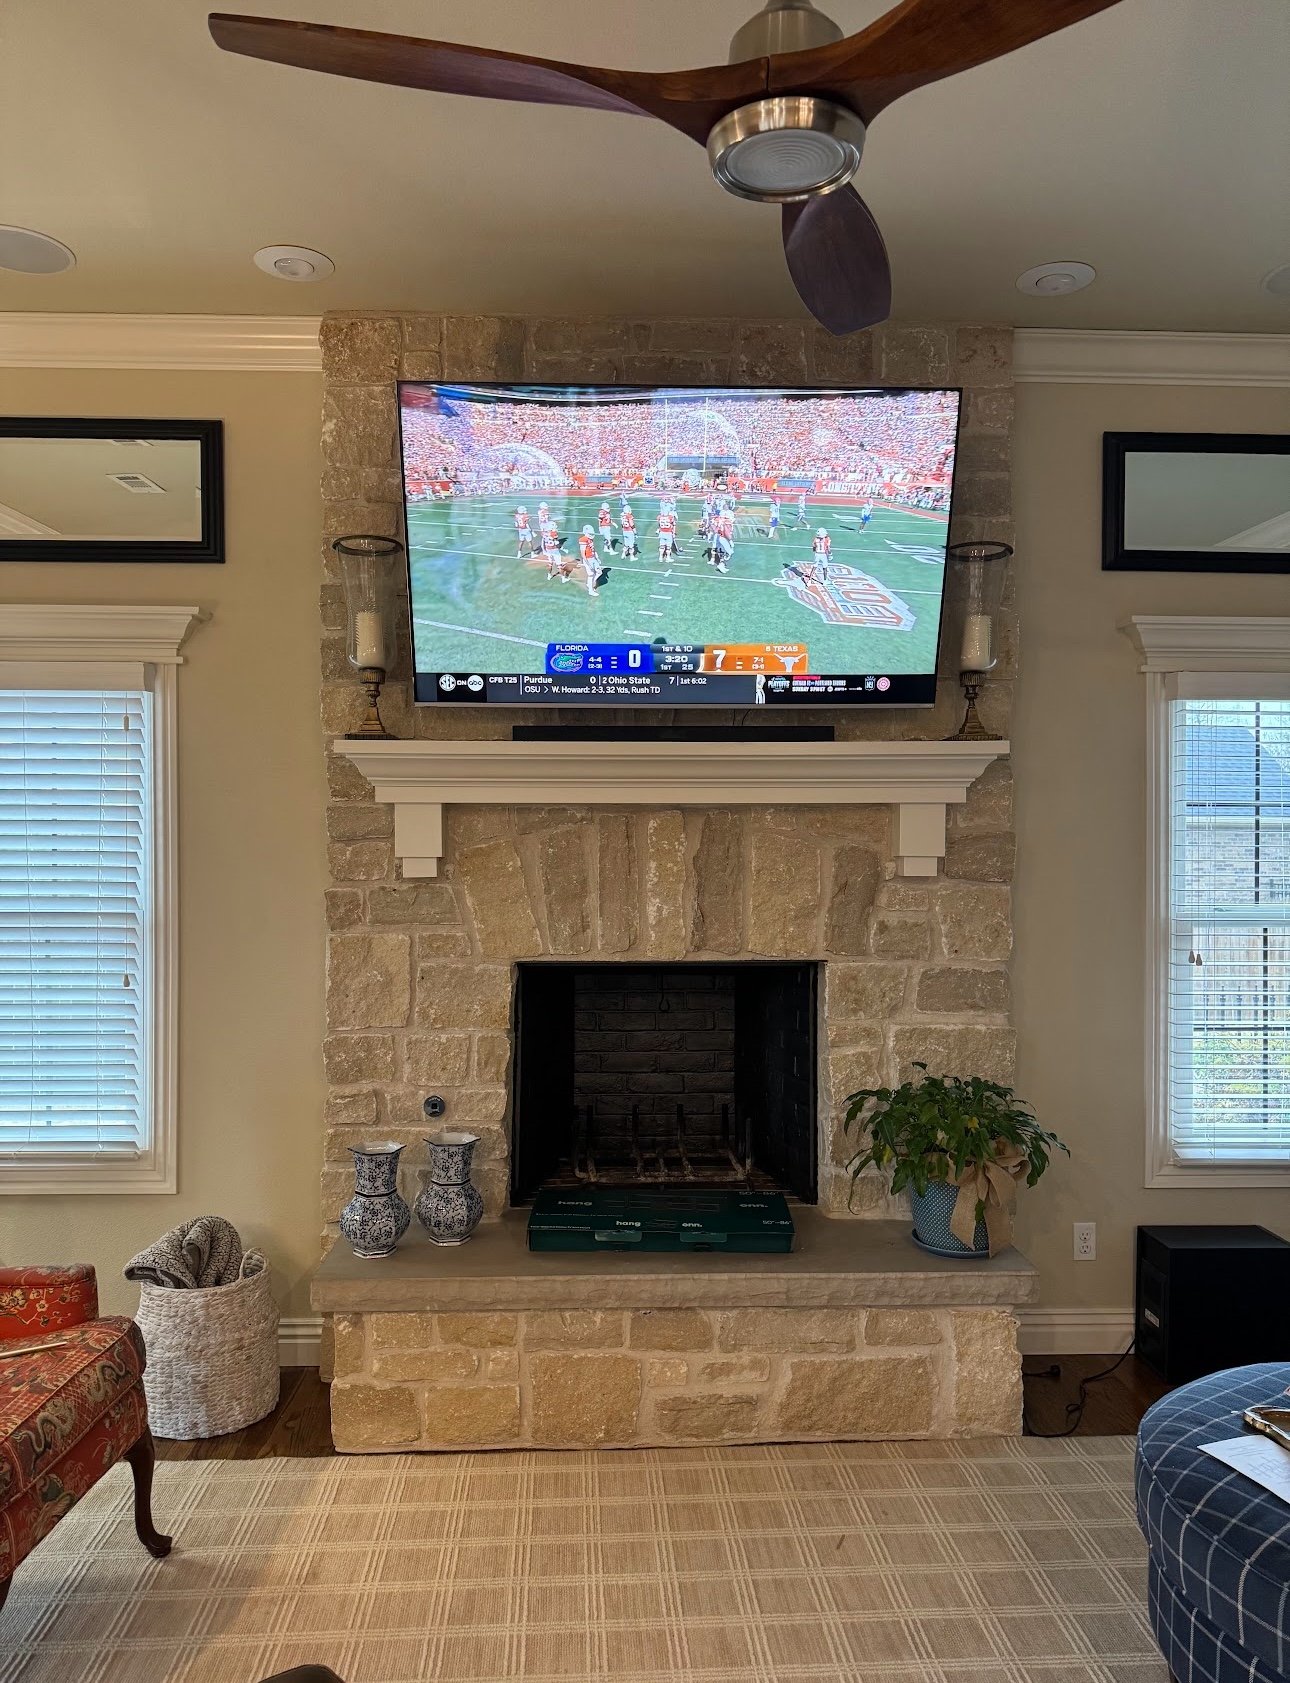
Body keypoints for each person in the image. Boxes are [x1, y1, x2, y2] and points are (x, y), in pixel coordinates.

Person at [577, 525, 601, 596]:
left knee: (599, 572)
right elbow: (583, 554)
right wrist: (588, 563)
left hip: (593, 558)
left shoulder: (590, 539)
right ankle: (590, 590)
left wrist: (597, 558)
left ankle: (589, 583)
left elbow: (593, 549)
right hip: (588, 559)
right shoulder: (583, 540)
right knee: (591, 575)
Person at [712, 507, 733, 574]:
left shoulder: (718, 520)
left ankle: (722, 565)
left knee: (721, 553)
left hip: (719, 537)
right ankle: (721, 565)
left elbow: (715, 529)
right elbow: (726, 532)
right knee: (728, 553)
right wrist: (730, 541)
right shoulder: (726, 522)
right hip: (722, 538)